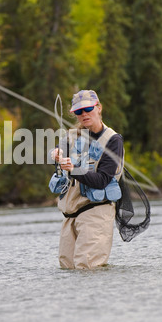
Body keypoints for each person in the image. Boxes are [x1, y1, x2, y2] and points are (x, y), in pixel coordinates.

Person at [51, 90, 124, 270]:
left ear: (98, 108)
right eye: (78, 111)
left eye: (88, 109)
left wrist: (73, 169)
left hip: (96, 212)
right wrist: (55, 156)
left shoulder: (113, 140)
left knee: (88, 268)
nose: (83, 114)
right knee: (67, 268)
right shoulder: (72, 136)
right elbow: (59, 159)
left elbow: (102, 180)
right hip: (71, 215)